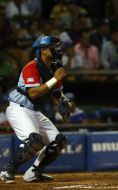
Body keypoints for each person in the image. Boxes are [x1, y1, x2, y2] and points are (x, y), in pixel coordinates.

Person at [0, 34, 72, 183]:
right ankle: (7, 171)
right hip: (19, 109)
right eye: (54, 47)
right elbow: (33, 93)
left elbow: (55, 95)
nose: (59, 49)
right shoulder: (31, 67)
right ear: (44, 50)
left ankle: (34, 173)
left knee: (60, 141)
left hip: (35, 111)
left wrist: (62, 107)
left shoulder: (54, 68)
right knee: (35, 141)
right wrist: (55, 79)